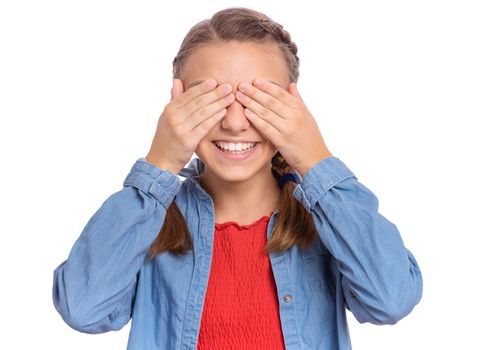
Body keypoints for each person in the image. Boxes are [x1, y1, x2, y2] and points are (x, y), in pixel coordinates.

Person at [52, 6, 423, 350]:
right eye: (209, 99)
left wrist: (315, 159)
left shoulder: (327, 223)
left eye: (258, 100)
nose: (233, 122)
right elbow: (83, 310)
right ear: (177, 101)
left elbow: (391, 299)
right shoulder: (148, 223)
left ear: (293, 105)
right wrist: (159, 164)